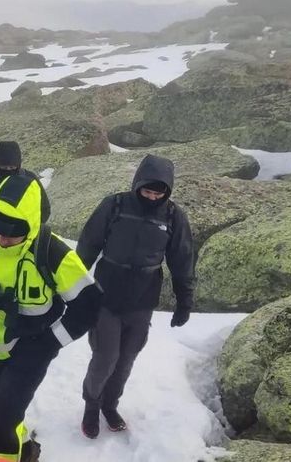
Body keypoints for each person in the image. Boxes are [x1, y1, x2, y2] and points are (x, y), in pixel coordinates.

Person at [0, 173, 101, 461]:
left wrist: (49, 342)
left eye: (12, 234)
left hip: (31, 347)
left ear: (30, 225)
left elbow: (90, 305)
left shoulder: (52, 252)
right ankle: (26, 450)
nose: (2, 239)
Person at [75, 154, 195, 438]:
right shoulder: (114, 205)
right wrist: (74, 289)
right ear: (136, 183)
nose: (152, 197)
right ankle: (91, 407)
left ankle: (110, 405)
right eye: (147, 190)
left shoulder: (173, 216)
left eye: (158, 192)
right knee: (105, 356)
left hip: (143, 298)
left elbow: (182, 259)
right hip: (107, 293)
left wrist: (184, 300)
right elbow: (87, 246)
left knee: (126, 358)